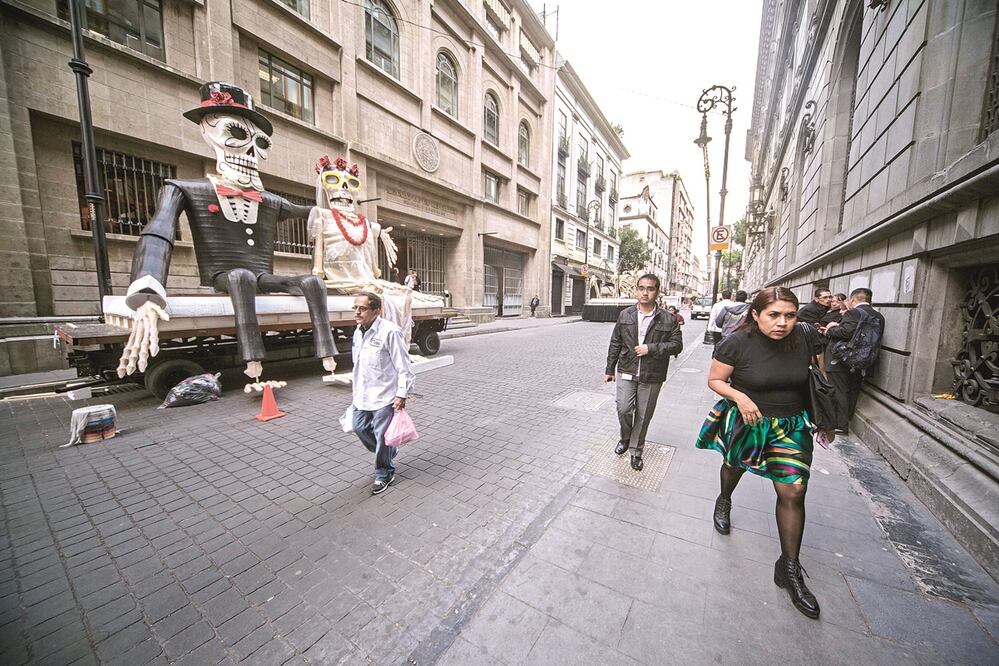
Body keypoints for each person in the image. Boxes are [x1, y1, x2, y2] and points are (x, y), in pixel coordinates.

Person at [695, 287, 833, 619]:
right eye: (774, 315)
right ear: (756, 315)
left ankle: (789, 568)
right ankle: (725, 498)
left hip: (790, 425)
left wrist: (826, 414)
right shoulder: (737, 342)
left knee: (794, 489)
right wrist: (740, 398)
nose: (782, 322)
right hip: (749, 420)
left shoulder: (806, 336)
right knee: (733, 467)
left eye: (790, 314)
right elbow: (715, 379)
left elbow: (820, 374)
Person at [604, 274, 683, 471]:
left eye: (650, 288)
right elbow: (616, 342)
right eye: (641, 288)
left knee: (643, 414)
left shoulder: (668, 318)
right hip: (626, 369)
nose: (645, 292)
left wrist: (652, 348)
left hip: (652, 373)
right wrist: (609, 369)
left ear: (657, 291)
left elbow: (677, 345)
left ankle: (635, 451)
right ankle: (625, 437)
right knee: (623, 409)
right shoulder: (626, 315)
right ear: (636, 290)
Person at [351, 291, 415, 495]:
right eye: (355, 308)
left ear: (376, 311)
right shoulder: (358, 331)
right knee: (359, 427)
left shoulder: (390, 332)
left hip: (385, 395)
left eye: (362, 308)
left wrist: (402, 394)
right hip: (362, 395)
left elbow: (404, 366)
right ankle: (388, 452)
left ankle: (384, 472)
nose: (357, 312)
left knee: (382, 436)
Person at [822, 287, 885, 425]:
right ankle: (847, 419)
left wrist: (831, 328)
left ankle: (841, 425)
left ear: (854, 299)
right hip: (864, 361)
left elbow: (845, 333)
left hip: (842, 359)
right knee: (853, 390)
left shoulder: (853, 313)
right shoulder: (879, 316)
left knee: (839, 391)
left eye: (849, 300)